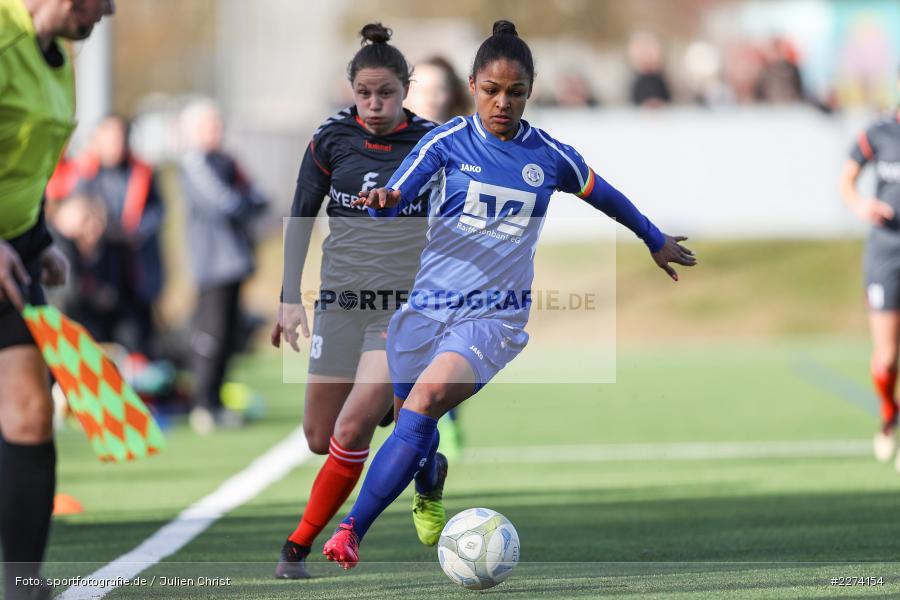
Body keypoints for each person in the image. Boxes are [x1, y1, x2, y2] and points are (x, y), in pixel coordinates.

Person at [322, 19, 696, 569]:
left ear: (529, 92)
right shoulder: (446, 142)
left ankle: (351, 530)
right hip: (425, 311)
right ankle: (430, 475)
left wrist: (653, 237)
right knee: (409, 422)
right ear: (473, 85)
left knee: (422, 404)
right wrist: (383, 200)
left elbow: (603, 193)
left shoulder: (548, 155)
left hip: (493, 320)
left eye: (515, 93)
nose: (503, 103)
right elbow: (401, 190)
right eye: (492, 91)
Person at [270, 23, 436, 579]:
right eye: (363, 93)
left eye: (385, 93)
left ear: (405, 90)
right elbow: (299, 217)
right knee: (320, 437)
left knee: (350, 429)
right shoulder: (329, 140)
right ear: (351, 89)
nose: (373, 104)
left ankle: (297, 547)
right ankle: (417, 445)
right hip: (339, 303)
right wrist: (289, 298)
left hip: (401, 309)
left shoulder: (432, 143)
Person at [0, 1, 114, 598]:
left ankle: (20, 585)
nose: (111, 9)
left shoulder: (60, 56)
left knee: (30, 414)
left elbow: (26, 162)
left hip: (14, 254)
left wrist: (37, 237)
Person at [179, 99, 267, 434]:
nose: (217, 131)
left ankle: (216, 401)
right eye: (209, 125)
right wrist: (246, 204)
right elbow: (223, 203)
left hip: (235, 261)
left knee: (229, 334)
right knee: (210, 335)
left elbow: (258, 195)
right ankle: (202, 404)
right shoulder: (195, 162)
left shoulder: (227, 160)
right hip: (212, 263)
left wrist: (248, 203)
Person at [404, 55, 474, 460]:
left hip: (448, 265)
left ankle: (444, 420)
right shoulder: (395, 141)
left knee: (447, 346)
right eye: (422, 87)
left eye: (439, 88)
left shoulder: (464, 143)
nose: (430, 97)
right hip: (398, 263)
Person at [840, 72, 900, 467]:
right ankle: (887, 413)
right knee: (888, 355)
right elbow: (847, 181)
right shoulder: (878, 132)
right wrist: (862, 206)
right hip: (885, 252)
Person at [71, 115, 165, 355]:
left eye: (120, 138)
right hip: (96, 278)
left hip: (134, 275)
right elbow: (75, 215)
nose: (116, 145)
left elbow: (156, 213)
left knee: (136, 345)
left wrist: (133, 232)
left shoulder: (142, 172)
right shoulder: (84, 174)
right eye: (110, 139)